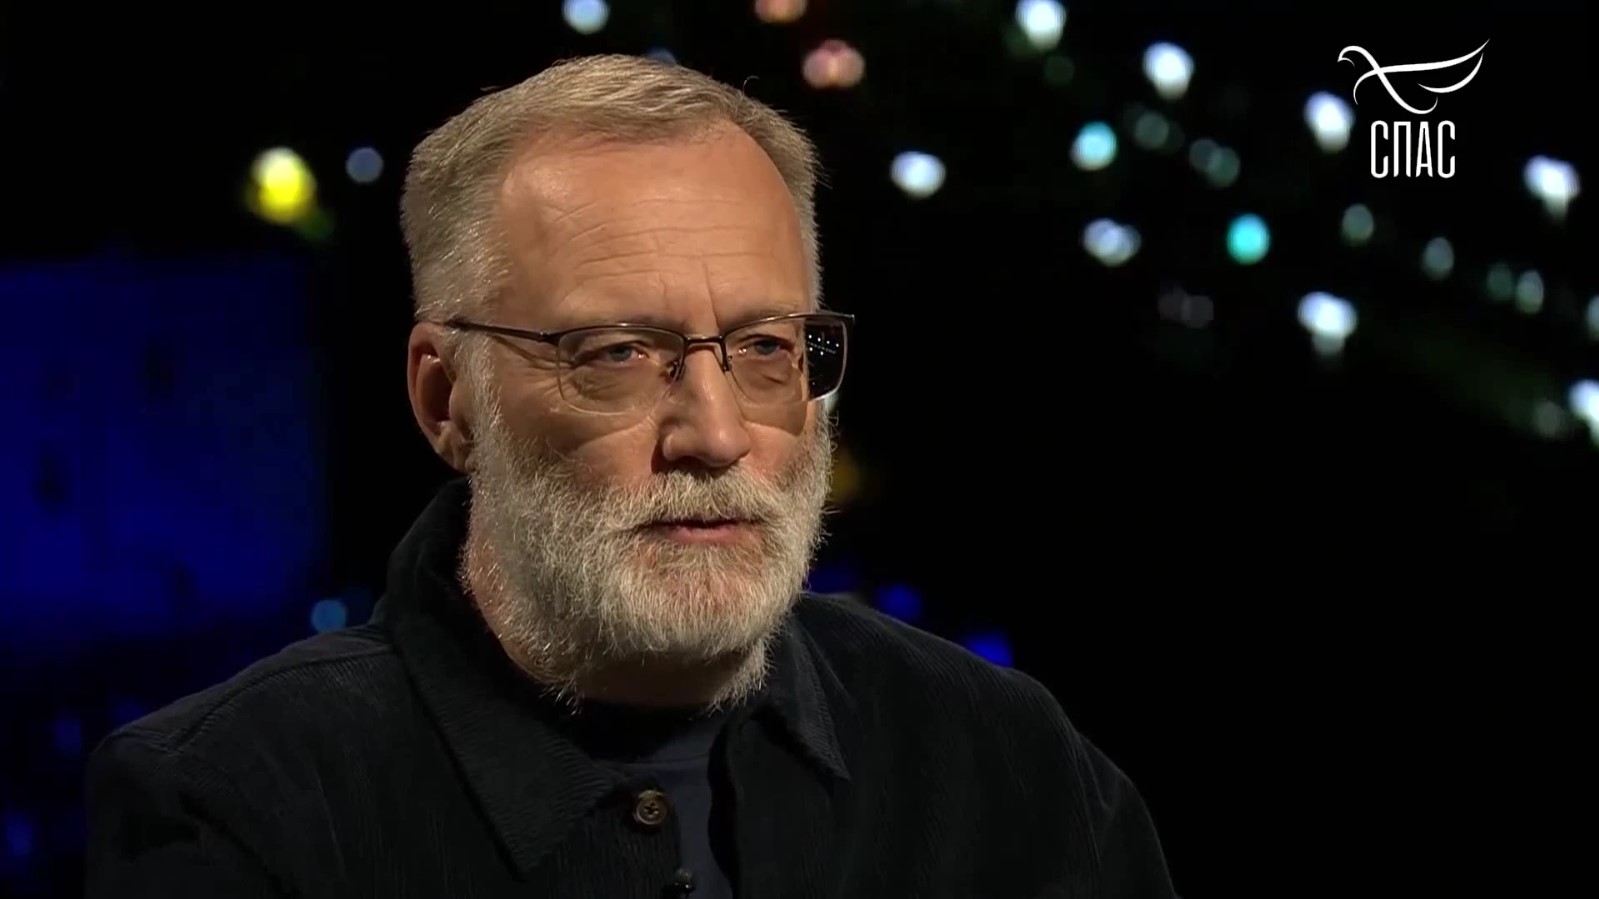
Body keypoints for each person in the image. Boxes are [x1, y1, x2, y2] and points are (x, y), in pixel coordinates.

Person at [85, 54, 1177, 898]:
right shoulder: (238, 808)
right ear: (446, 400)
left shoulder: (1007, 762)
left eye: (765, 349)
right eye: (615, 354)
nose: (715, 432)